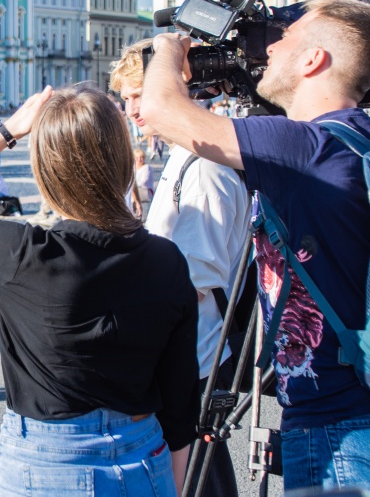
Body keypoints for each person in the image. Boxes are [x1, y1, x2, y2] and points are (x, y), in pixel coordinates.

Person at [141, 0, 370, 494]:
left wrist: (167, 49)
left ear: (314, 60)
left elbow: (161, 109)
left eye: (285, 37)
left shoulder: (299, 147)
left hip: (341, 433)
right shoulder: (366, 141)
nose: (268, 47)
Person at [0, 86, 199, 496]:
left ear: (47, 168)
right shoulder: (166, 260)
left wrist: (9, 130)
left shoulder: (23, 256)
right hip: (144, 453)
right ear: (122, 161)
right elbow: (181, 401)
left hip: (49, 458)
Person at [112, 40, 249, 497]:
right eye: (127, 98)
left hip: (196, 356)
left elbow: (192, 282)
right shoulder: (182, 158)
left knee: (198, 476)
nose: (133, 109)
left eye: (138, 95)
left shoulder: (205, 168)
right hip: (186, 350)